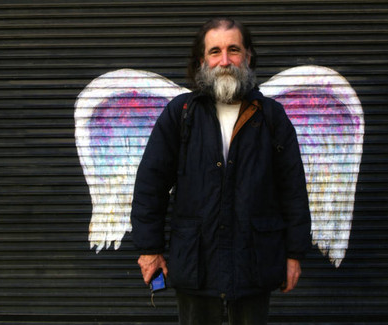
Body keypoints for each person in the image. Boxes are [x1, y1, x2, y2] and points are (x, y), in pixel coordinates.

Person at [130, 17, 312, 325]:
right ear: (202, 60)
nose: (224, 61)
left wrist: (294, 254)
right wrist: (149, 249)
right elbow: (151, 184)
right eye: (215, 51)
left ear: (248, 56)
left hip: (253, 263)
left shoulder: (271, 116)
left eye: (234, 50)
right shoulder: (182, 113)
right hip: (195, 262)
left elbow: (292, 188)